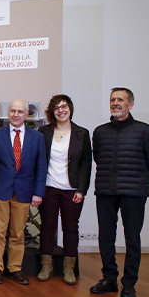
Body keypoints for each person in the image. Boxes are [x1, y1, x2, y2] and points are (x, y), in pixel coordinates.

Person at [90, 88, 149, 297]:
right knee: (106, 237)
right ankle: (109, 279)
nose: (115, 103)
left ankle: (129, 284)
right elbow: (99, 158)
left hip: (134, 193)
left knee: (132, 239)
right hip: (106, 192)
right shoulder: (100, 132)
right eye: (112, 99)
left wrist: (138, 182)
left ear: (131, 104)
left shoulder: (146, 131)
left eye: (120, 99)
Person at [0, 98, 47, 285]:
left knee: (18, 233)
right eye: (13, 111)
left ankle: (15, 268)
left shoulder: (37, 138)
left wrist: (38, 193)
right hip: (0, 190)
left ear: (27, 114)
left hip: (24, 191)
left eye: (20, 111)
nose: (15, 115)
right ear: (8, 113)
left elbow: (41, 167)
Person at [36, 95, 92, 284]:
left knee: (70, 228)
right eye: (57, 107)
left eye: (64, 106)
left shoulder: (81, 133)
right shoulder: (43, 132)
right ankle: (46, 265)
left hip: (72, 189)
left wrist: (82, 189)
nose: (61, 110)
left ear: (70, 109)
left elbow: (86, 164)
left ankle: (69, 268)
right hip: (49, 187)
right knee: (47, 226)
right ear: (52, 112)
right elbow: (38, 161)